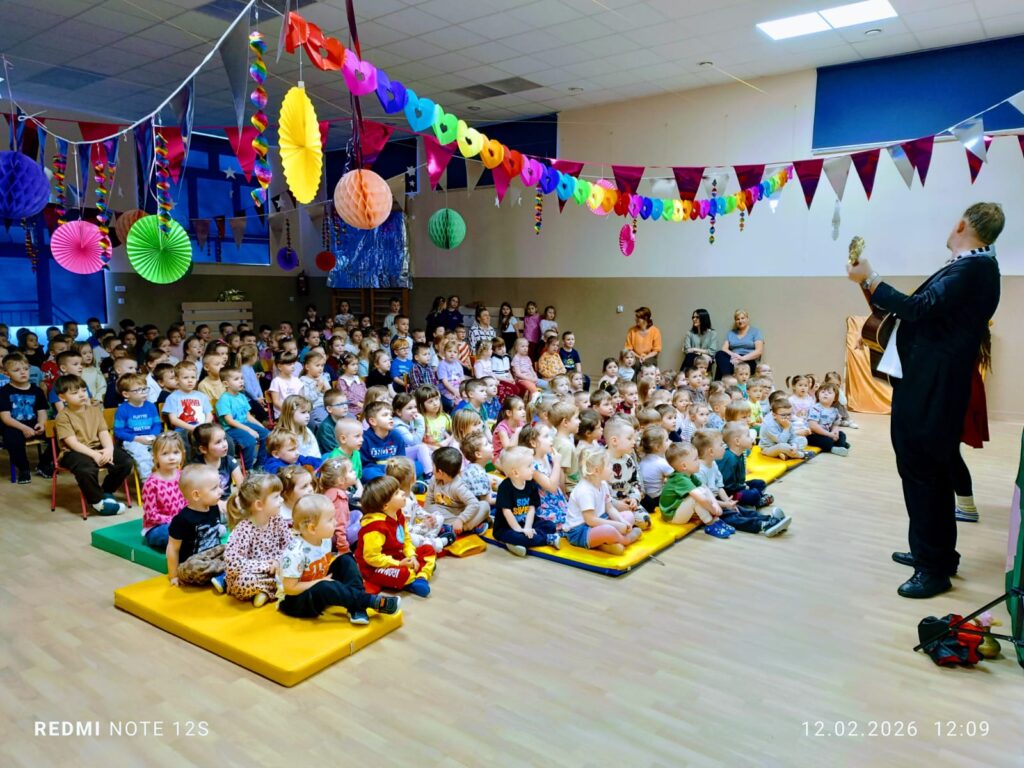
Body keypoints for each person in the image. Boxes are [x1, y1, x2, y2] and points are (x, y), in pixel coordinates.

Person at [846, 202, 1003, 598]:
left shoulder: (973, 268)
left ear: (962, 224)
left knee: (923, 472)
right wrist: (867, 284)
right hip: (928, 382)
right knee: (921, 470)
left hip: (933, 386)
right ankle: (933, 553)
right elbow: (925, 314)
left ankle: (933, 567)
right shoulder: (971, 266)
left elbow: (919, 308)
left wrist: (874, 277)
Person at [281, 494, 401, 624]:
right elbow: (290, 589)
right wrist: (320, 581)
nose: (336, 522)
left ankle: (356, 607)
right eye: (330, 519)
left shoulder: (325, 540)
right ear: (312, 528)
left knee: (346, 560)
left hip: (320, 583)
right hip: (297, 603)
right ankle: (369, 601)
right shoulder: (295, 553)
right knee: (324, 586)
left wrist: (324, 579)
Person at [53, 375, 132, 516]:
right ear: (62, 397)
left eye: (83, 390)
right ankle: (97, 502)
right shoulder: (63, 417)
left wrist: (108, 449)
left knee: (125, 462)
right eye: (74, 393)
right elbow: (72, 443)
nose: (82, 395)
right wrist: (95, 454)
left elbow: (103, 432)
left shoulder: (95, 410)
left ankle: (107, 491)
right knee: (86, 469)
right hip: (73, 452)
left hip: (97, 448)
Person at [355, 475, 437, 597]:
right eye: (397, 493)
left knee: (428, 550)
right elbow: (372, 558)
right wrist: (398, 564)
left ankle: (420, 578)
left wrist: (412, 556)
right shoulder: (375, 528)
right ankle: (413, 578)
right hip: (374, 567)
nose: (403, 493)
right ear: (385, 506)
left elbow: (406, 539)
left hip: (397, 557)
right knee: (404, 573)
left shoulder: (397, 513)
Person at [222, 472, 292, 607]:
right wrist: (266, 566)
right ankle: (273, 591)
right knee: (243, 582)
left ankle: (267, 592)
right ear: (259, 505)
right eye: (276, 497)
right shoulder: (244, 529)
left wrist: (278, 561)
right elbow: (232, 564)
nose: (282, 500)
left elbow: (289, 545)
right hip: (255, 575)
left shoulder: (278, 520)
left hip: (279, 570)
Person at [564, 446, 642, 555]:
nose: (612, 467)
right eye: (609, 464)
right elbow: (590, 520)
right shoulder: (584, 491)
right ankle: (625, 540)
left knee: (629, 515)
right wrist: (617, 525)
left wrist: (621, 521)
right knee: (608, 530)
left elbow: (609, 508)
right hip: (580, 531)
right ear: (596, 470)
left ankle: (604, 543)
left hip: (599, 520)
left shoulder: (603, 483)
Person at [165, 464, 226, 587]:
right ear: (196, 495)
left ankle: (223, 575)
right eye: (214, 488)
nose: (221, 491)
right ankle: (223, 576)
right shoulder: (182, 519)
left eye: (219, 486)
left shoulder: (214, 507)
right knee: (195, 567)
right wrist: (173, 575)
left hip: (214, 556)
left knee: (234, 549)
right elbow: (173, 548)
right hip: (194, 563)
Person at [0, 353, 52, 483]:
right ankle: (24, 469)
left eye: (26, 369)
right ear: (6, 373)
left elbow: (42, 412)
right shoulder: (3, 392)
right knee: (12, 438)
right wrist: (24, 428)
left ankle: (44, 464)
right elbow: (6, 418)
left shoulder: (37, 391)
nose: (23, 373)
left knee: (58, 432)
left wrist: (41, 423)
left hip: (34, 425)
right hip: (14, 426)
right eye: (16, 370)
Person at [424, 446, 490, 535]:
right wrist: (426, 515)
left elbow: (474, 504)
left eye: (432, 465)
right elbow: (429, 500)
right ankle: (470, 527)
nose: (431, 468)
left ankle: (462, 527)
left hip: (462, 514)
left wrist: (460, 520)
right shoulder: (434, 479)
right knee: (429, 508)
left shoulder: (458, 486)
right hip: (443, 513)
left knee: (484, 505)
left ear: (440, 472)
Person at [141, 432, 188, 551]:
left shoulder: (183, 476)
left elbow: (188, 502)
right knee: (168, 533)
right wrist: (175, 520)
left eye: (176, 452)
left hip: (182, 522)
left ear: (182, 454)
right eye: (165, 454)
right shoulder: (151, 484)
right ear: (156, 457)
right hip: (158, 527)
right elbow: (151, 515)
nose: (171, 457)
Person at [112, 373, 161, 480]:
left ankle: (165, 481)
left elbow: (157, 424)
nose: (144, 392)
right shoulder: (122, 410)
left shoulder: (151, 406)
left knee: (165, 451)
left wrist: (153, 435)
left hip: (151, 438)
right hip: (132, 440)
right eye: (139, 390)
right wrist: (137, 438)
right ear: (126, 394)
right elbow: (118, 432)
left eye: (145, 389)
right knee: (144, 457)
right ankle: (148, 483)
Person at [715, 310, 764, 379]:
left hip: (748, 360)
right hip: (733, 359)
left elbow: (759, 351)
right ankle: (728, 378)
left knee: (719, 370)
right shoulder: (731, 333)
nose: (740, 321)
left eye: (742, 318)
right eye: (737, 319)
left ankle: (725, 381)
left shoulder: (755, 332)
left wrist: (742, 358)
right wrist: (735, 356)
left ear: (747, 319)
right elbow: (724, 348)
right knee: (719, 354)